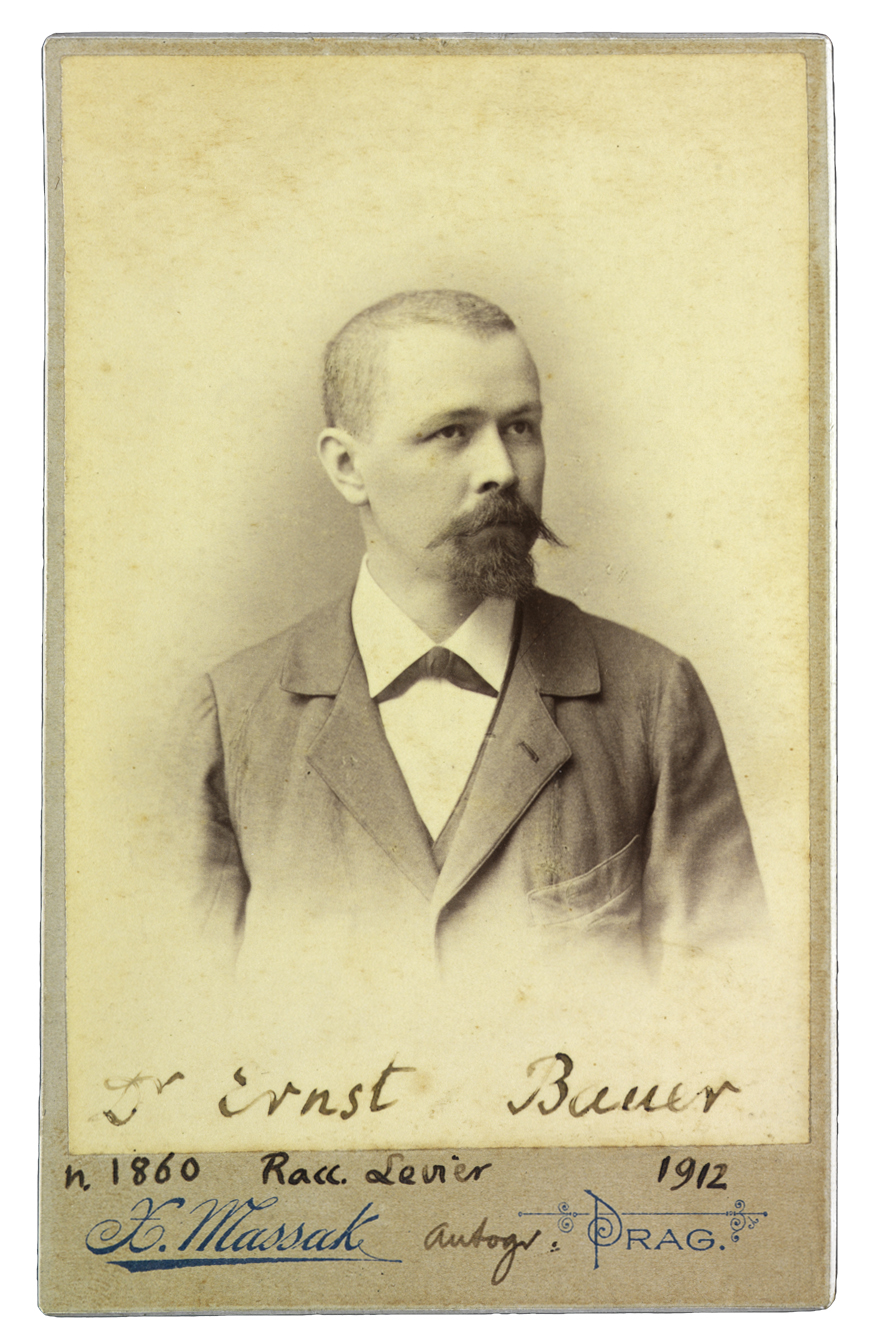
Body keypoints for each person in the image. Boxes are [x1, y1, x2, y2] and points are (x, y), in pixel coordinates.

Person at [176, 290, 764, 987]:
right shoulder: (231, 716)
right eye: (452, 432)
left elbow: (724, 1008)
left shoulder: (653, 697)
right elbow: (184, 1018)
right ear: (347, 467)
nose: (503, 470)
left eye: (520, 427)